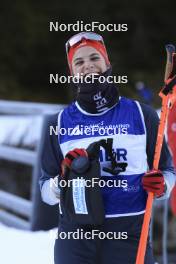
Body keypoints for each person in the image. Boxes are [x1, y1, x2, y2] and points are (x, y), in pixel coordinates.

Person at [39, 32, 175, 264]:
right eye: (79, 62)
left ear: (107, 63)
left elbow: (168, 171)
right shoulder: (57, 123)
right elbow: (45, 192)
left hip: (130, 237)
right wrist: (62, 181)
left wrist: (162, 185)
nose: (88, 65)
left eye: (94, 58)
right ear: (72, 73)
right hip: (75, 240)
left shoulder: (143, 115)